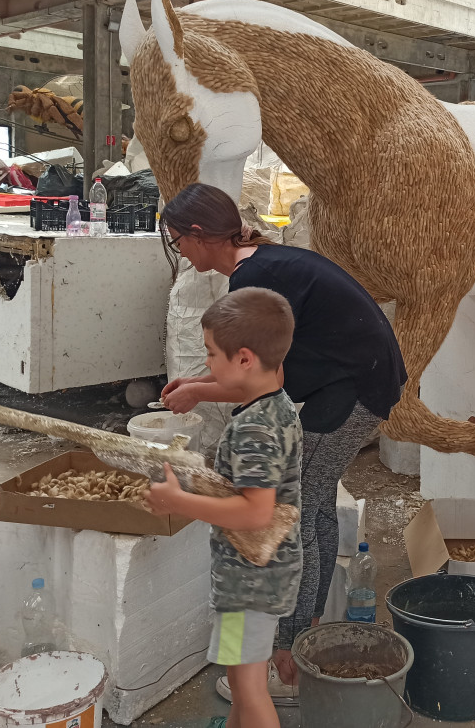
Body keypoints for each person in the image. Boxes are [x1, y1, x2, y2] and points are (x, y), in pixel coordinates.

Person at [159, 183, 407, 700]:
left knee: (296, 514)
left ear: (200, 235)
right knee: (316, 505)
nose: (180, 251)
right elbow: (260, 369)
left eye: (178, 239)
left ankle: (291, 658)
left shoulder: (254, 278)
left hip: (354, 389)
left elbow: (259, 377)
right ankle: (307, 632)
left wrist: (198, 391)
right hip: (359, 379)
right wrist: (200, 384)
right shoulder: (263, 263)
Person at [144, 287, 302, 728]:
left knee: (249, 690)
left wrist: (178, 501)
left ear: (245, 359)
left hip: (249, 585)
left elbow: (256, 513)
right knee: (238, 678)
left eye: (211, 353)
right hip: (257, 575)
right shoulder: (275, 400)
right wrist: (201, 388)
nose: (207, 363)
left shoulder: (254, 430)